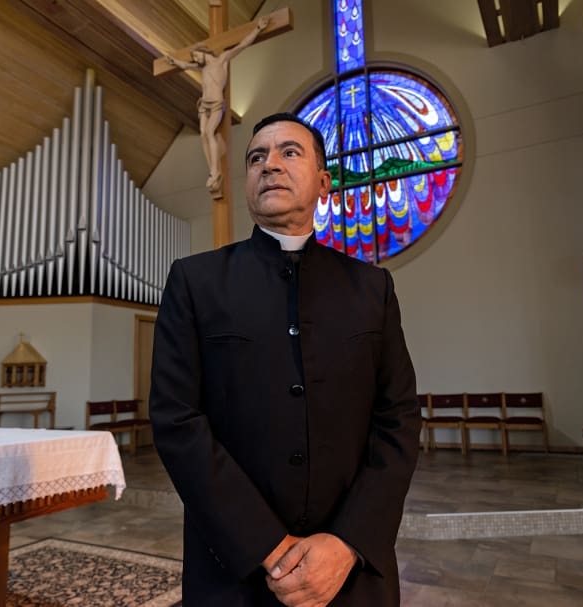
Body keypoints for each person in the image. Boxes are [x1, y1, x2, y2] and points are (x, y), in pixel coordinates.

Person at [149, 112, 420, 606]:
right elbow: (176, 419)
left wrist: (348, 542)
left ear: (323, 182)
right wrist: (267, 546)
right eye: (256, 157)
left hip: (352, 570)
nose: (269, 164)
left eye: (289, 152)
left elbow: (397, 418)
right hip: (233, 568)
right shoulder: (195, 282)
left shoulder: (371, 288)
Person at [167, 17, 270, 195]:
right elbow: (186, 65)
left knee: (209, 133)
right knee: (203, 135)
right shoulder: (202, 68)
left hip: (215, 104)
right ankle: (213, 170)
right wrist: (174, 62)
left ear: (203, 52)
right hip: (204, 105)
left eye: (196, 55)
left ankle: (215, 171)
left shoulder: (222, 59)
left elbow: (242, 45)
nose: (195, 59)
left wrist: (258, 29)